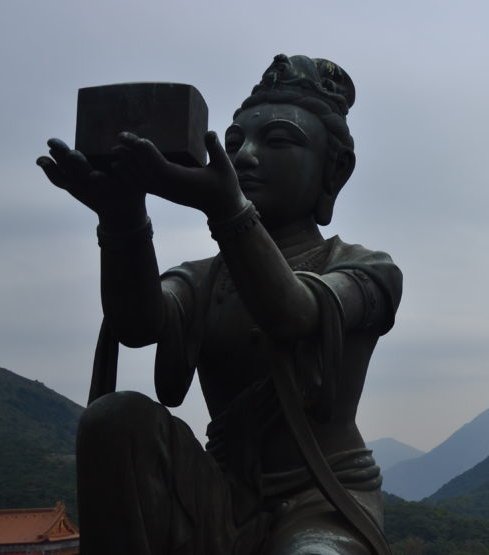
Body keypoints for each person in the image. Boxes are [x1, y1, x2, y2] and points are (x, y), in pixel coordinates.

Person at [37, 54, 401, 555]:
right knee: (114, 418)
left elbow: (292, 313)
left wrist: (226, 209)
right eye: (233, 145)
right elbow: (137, 324)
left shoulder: (365, 270)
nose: (245, 157)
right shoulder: (205, 278)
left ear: (333, 170)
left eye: (277, 141)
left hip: (323, 498)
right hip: (219, 494)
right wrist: (122, 218)